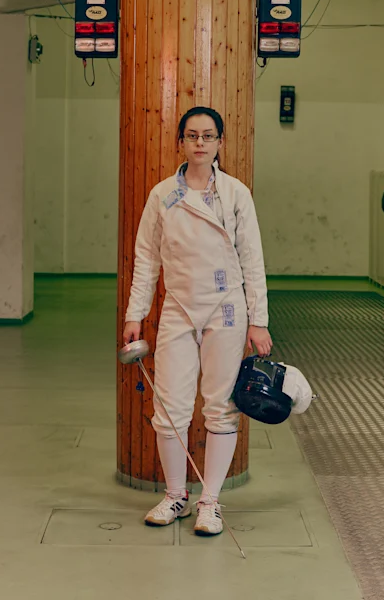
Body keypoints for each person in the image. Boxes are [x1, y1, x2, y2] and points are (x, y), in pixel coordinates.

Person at [122, 106, 271, 536]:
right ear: (181, 143)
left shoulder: (236, 194)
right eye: (192, 135)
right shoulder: (162, 195)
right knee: (169, 408)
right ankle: (175, 495)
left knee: (221, 408)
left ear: (220, 142)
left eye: (208, 135)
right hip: (179, 308)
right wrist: (135, 314)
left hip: (227, 308)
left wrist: (258, 320)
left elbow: (252, 260)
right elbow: (146, 258)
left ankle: (210, 502)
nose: (200, 142)